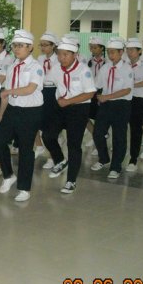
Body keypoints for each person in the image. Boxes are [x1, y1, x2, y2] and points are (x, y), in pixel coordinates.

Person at [42, 36, 96, 194]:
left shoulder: (83, 70)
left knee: (74, 145)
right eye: (59, 54)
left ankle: (71, 180)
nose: (61, 58)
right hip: (61, 107)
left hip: (78, 108)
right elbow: (46, 82)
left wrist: (69, 101)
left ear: (75, 55)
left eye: (65, 54)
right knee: (48, 135)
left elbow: (90, 93)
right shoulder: (56, 68)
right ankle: (60, 160)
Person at [0, 30, 44, 202]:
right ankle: (8, 175)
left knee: (25, 149)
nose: (17, 49)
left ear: (30, 47)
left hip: (30, 112)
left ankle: (24, 188)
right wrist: (1, 114)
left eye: (21, 46)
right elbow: (6, 95)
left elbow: (30, 89)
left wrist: (8, 92)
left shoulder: (35, 67)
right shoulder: (12, 67)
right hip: (12, 110)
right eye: (15, 45)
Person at [90, 38, 133, 179]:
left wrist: (107, 96)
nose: (110, 55)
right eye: (109, 52)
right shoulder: (105, 68)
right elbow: (96, 85)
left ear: (121, 52)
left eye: (113, 52)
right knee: (98, 133)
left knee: (119, 137)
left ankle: (116, 167)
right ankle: (104, 159)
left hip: (121, 104)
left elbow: (127, 90)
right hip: (106, 104)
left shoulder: (127, 69)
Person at [124, 38, 143, 172]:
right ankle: (121, 153)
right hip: (124, 98)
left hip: (138, 99)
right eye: (128, 50)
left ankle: (133, 158)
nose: (129, 52)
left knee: (135, 129)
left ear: (139, 51)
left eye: (132, 50)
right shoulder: (124, 65)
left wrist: (131, 85)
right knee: (121, 128)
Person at [36, 31, 59, 166]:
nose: (43, 48)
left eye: (45, 45)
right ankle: (39, 146)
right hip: (41, 90)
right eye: (41, 45)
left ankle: (52, 157)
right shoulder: (39, 59)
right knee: (37, 122)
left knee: (51, 126)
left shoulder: (59, 59)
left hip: (54, 91)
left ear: (53, 46)